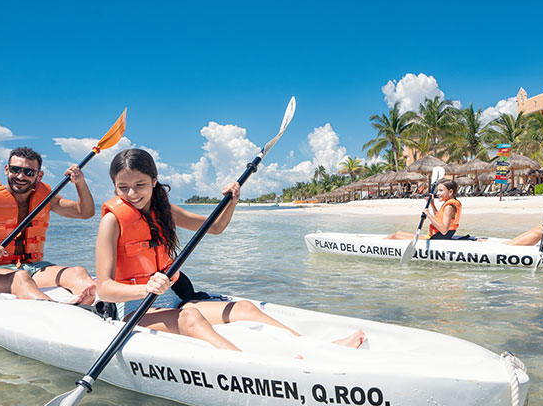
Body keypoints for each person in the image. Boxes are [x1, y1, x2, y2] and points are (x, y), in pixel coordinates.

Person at [95, 148, 365, 351]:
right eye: (123, 188)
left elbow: (214, 227)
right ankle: (250, 364)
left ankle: (317, 349)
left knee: (245, 307)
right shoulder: (112, 221)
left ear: (154, 181)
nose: (132, 194)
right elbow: (105, 288)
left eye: (140, 185)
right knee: (190, 316)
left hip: (170, 301)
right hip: (134, 311)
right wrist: (146, 289)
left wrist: (232, 200)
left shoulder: (164, 212)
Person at [0, 147, 97, 304]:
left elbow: (85, 212)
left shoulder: (46, 199)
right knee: (20, 278)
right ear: (7, 170)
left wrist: (80, 183)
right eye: (15, 170)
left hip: (32, 268)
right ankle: (58, 311)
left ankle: (98, 306)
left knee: (77, 273)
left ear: (39, 175)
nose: (20, 176)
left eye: (29, 172)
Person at [387, 178, 461, 240]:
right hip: (437, 235)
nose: (437, 193)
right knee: (399, 233)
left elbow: (444, 230)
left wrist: (428, 215)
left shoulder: (449, 207)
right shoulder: (450, 204)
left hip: (437, 237)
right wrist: (432, 204)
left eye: (441, 190)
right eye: (437, 190)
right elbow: (439, 218)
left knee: (394, 236)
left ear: (450, 192)